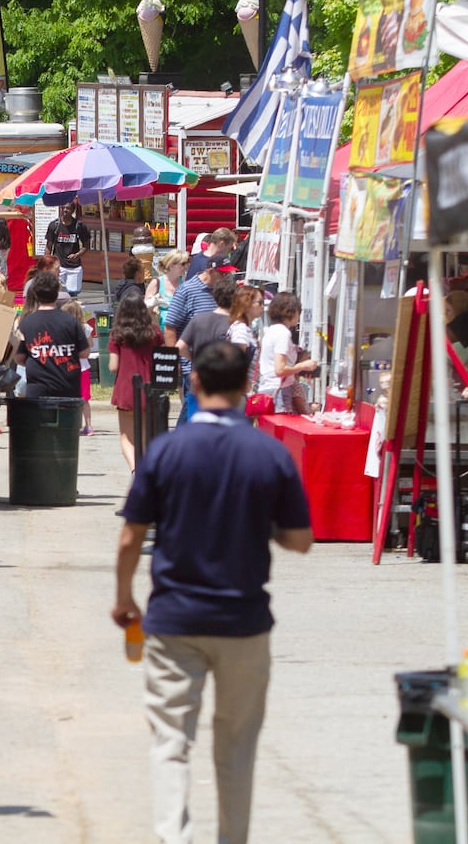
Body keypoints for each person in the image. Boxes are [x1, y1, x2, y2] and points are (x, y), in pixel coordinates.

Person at [112, 340, 312, 844]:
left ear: (195, 383)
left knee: (170, 741)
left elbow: (131, 534)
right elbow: (300, 540)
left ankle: (172, 836)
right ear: (247, 387)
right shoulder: (269, 453)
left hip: (174, 618)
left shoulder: (165, 452)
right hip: (244, 620)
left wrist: (123, 597)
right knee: (238, 744)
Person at [164, 254, 236, 421]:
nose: (227, 277)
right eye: (223, 273)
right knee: (194, 410)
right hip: (194, 367)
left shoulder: (225, 292)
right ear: (211, 271)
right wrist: (175, 361)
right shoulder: (187, 290)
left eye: (228, 274)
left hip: (218, 368)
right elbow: (170, 327)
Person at [108, 292, 165, 472]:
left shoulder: (118, 334)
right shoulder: (154, 332)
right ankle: (146, 470)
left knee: (126, 437)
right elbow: (163, 358)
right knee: (147, 435)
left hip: (126, 389)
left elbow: (113, 366)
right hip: (149, 389)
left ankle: (135, 469)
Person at [17, 271, 88, 400]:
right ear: (57, 293)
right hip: (68, 390)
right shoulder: (71, 321)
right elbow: (85, 353)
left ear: (36, 294)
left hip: (38, 392)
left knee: (37, 421)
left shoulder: (26, 323)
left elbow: (19, 358)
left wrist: (40, 357)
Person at [255, 291, 318, 415]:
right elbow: (280, 369)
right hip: (279, 392)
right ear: (292, 311)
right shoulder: (283, 333)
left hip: (267, 389)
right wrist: (304, 366)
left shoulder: (271, 331)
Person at [178, 278, 239, 364]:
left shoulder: (197, 319)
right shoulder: (235, 324)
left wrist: (196, 359)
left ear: (214, 297)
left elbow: (180, 347)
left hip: (198, 373)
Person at [62, 299, 96, 434]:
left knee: (67, 398)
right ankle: (88, 426)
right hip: (83, 367)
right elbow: (91, 345)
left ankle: (69, 425)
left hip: (67, 366)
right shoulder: (85, 327)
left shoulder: (63, 328)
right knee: (84, 399)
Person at [45, 202, 89, 296]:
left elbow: (86, 246)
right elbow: (49, 245)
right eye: (63, 208)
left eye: (68, 208)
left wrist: (77, 255)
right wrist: (47, 262)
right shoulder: (54, 225)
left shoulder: (79, 226)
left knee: (72, 296)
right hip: (59, 267)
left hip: (74, 268)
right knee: (57, 294)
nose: (65, 210)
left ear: (73, 211)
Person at [228, 284, 266, 389]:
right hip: (241, 391)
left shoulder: (245, 328)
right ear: (247, 304)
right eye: (260, 302)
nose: (263, 306)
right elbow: (236, 362)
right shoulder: (241, 329)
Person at [145, 249, 189, 327]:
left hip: (179, 330)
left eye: (187, 263)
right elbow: (145, 309)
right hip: (160, 332)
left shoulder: (184, 285)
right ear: (171, 265)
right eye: (183, 264)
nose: (186, 267)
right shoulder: (157, 283)